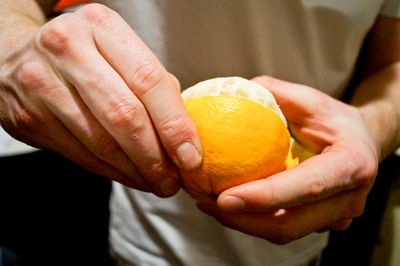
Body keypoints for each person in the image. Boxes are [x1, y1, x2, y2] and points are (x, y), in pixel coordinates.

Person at [1, 0, 400, 265]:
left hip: (306, 229)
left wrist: (374, 125)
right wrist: (11, 46)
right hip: (133, 218)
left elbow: (392, 60)